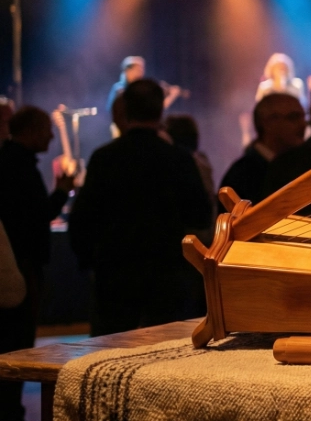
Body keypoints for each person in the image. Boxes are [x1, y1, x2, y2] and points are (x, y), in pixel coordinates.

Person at [69, 79, 212, 336]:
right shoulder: (178, 158)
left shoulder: (104, 158)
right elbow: (200, 215)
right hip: (165, 273)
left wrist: (90, 262)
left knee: (108, 349)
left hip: (115, 274)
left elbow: (82, 219)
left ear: (125, 109)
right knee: (166, 348)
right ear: (161, 109)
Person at [0, 107, 74, 421]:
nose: (52, 136)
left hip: (19, 261)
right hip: (22, 265)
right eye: (47, 129)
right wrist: (61, 192)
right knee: (16, 340)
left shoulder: (12, 161)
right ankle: (10, 420)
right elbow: (36, 215)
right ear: (30, 130)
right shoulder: (18, 166)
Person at [221, 94, 307, 205]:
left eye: (304, 117)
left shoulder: (296, 165)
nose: (303, 124)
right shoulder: (243, 175)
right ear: (268, 123)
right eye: (293, 117)